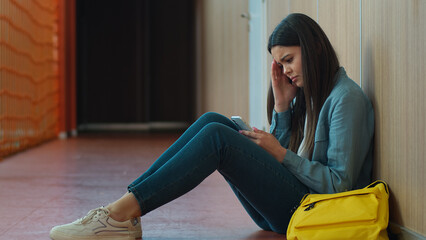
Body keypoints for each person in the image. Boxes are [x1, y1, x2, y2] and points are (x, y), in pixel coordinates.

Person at [50, 13, 374, 239]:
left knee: (219, 138)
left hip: (310, 213)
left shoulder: (346, 99)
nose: (286, 71)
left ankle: (118, 216)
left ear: (314, 48)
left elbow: (341, 186)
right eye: (281, 63)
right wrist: (281, 107)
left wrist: (282, 155)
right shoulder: (311, 95)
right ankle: (124, 212)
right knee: (213, 121)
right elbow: (279, 162)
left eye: (289, 59)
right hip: (290, 209)